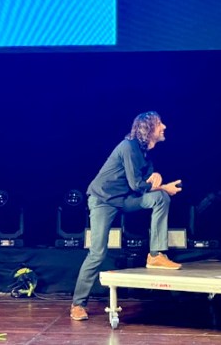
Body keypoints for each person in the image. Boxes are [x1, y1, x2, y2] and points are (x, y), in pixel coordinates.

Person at [70, 111, 182, 321]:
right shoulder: (128, 147)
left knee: (160, 198)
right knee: (97, 253)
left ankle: (155, 255)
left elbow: (147, 181)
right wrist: (163, 186)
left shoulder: (145, 153)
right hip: (103, 200)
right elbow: (137, 185)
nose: (164, 127)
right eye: (160, 124)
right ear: (148, 128)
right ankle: (78, 304)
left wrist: (157, 178)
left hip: (124, 199)